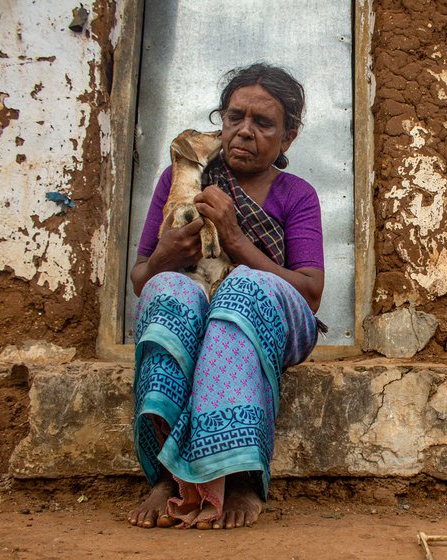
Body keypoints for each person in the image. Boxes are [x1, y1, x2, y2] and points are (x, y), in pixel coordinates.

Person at [126, 63, 324, 530]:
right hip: (197, 317)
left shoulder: (296, 194)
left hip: (274, 320)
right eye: (234, 117)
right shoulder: (184, 183)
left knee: (240, 287)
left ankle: (239, 476)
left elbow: (311, 293)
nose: (244, 132)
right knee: (168, 288)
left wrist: (235, 239)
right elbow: (140, 281)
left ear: (288, 137)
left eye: (263, 123)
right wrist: (164, 257)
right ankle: (165, 476)